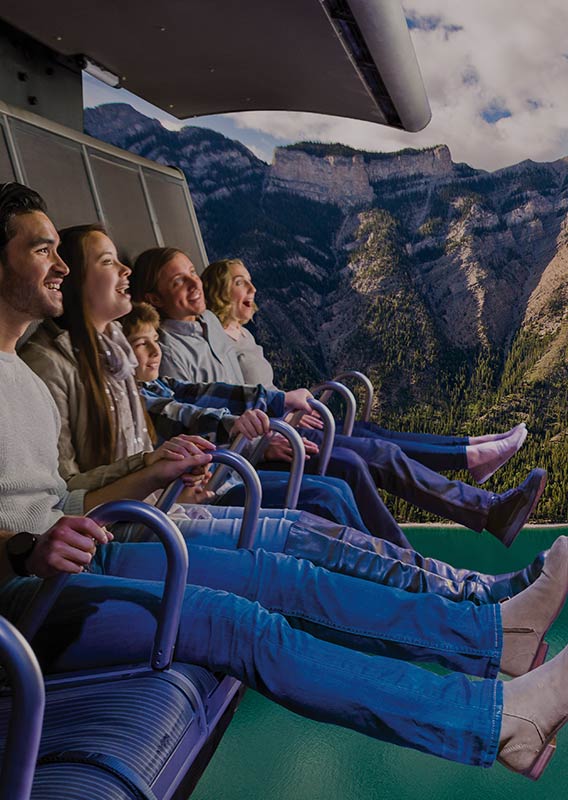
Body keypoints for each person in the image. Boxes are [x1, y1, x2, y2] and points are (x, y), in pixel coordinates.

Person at [0, 181, 567, 779]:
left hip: (87, 551)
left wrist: (152, 470)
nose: (59, 262)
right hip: (31, 596)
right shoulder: (47, 367)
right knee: (240, 616)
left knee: (293, 561)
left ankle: (488, 628)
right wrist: (28, 547)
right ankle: (496, 714)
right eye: (42, 249)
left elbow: (61, 495)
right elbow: (35, 520)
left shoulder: (24, 374)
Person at [19, 223, 543, 604]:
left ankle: (443, 551)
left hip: (211, 468)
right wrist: (242, 435)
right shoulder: (96, 357)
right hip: (213, 475)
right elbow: (178, 407)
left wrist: (276, 405)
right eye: (108, 261)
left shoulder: (141, 344)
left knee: (367, 442)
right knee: (348, 474)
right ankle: (433, 577)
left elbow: (197, 392)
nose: (195, 288)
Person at [130, 246, 546, 548]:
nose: (193, 283)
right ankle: (424, 553)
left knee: (373, 451)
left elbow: (237, 387)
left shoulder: (207, 324)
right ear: (152, 299)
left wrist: (283, 404)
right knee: (365, 459)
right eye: (177, 280)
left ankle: (461, 510)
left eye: (192, 273)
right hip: (240, 459)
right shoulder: (165, 350)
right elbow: (195, 416)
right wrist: (269, 430)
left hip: (269, 434)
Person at [202, 257, 527, 482]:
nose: (253, 290)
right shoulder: (215, 339)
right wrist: (284, 418)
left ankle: (470, 446)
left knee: (378, 434)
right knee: (378, 447)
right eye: (240, 283)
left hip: (288, 421)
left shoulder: (243, 333)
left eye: (251, 282)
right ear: (219, 290)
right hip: (276, 435)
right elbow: (235, 400)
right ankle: (468, 457)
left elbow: (262, 393)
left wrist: (291, 409)